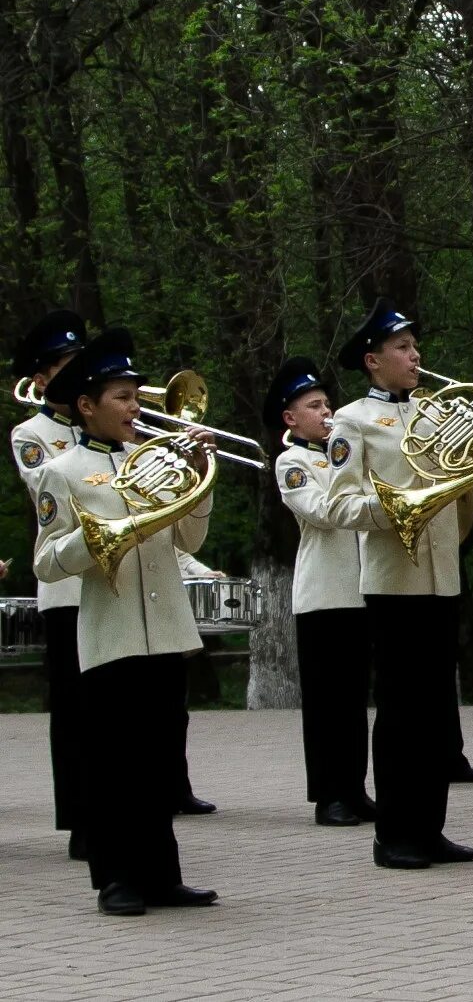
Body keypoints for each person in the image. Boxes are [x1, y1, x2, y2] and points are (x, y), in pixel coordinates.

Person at [32, 327, 220, 915]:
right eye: (121, 397)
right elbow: (45, 560)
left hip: (165, 630)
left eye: (136, 396)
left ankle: (161, 876)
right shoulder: (61, 472)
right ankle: (115, 879)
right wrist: (98, 543)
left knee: (158, 759)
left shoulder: (156, 459)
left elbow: (188, 537)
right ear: (86, 406)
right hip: (110, 633)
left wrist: (199, 480)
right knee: (112, 762)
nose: (135, 407)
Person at [323, 297, 473, 870]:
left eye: (414, 346)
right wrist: (400, 509)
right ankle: (394, 835)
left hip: (442, 576)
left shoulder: (434, 411)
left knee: (434, 713)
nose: (416, 356)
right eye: (402, 348)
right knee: (402, 712)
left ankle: (429, 829)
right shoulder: (351, 421)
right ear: (372, 360)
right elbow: (340, 506)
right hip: (392, 580)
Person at [266, 357, 377, 827]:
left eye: (329, 404)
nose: (328, 413)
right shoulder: (292, 461)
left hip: (362, 589)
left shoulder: (345, 453)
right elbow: (320, 511)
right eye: (315, 406)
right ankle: (328, 794)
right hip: (323, 595)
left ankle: (354, 788)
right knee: (326, 702)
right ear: (291, 418)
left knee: (354, 701)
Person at [10, 309, 88, 859]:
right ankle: (83, 819)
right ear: (41, 379)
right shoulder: (31, 434)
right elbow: (55, 492)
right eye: (67, 366)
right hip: (67, 587)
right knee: (76, 709)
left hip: (121, 589)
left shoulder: (109, 424)